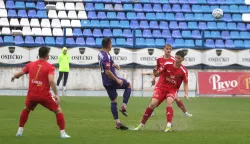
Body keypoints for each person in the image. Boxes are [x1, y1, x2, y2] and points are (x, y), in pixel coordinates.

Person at [11, 46, 70, 138]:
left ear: (38, 54)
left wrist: (14, 77)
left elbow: (19, 73)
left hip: (32, 95)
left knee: (26, 109)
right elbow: (51, 80)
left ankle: (19, 131)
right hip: (44, 95)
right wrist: (57, 94)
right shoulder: (50, 67)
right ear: (47, 56)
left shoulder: (30, 65)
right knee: (58, 110)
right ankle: (63, 134)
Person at [134, 50, 190, 132]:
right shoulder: (167, 64)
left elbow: (185, 83)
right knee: (152, 104)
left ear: (182, 59)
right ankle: (141, 125)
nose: (176, 59)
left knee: (169, 101)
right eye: (176, 57)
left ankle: (168, 126)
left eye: (179, 58)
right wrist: (155, 73)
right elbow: (158, 73)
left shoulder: (183, 70)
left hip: (172, 89)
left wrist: (186, 93)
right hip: (162, 88)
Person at [98, 38, 131, 130]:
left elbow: (106, 65)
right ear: (108, 45)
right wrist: (117, 80)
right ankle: (124, 106)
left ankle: (118, 123)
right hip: (111, 80)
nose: (112, 45)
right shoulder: (106, 56)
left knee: (114, 101)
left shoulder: (101, 53)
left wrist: (114, 64)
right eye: (111, 43)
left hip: (105, 81)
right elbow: (108, 71)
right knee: (128, 85)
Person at [151, 44, 192, 117]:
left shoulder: (174, 59)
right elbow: (157, 69)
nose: (168, 50)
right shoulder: (159, 59)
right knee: (155, 96)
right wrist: (154, 78)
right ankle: (151, 110)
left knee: (176, 98)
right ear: (164, 49)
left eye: (170, 49)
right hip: (161, 81)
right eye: (167, 49)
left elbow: (178, 68)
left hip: (170, 83)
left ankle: (185, 112)